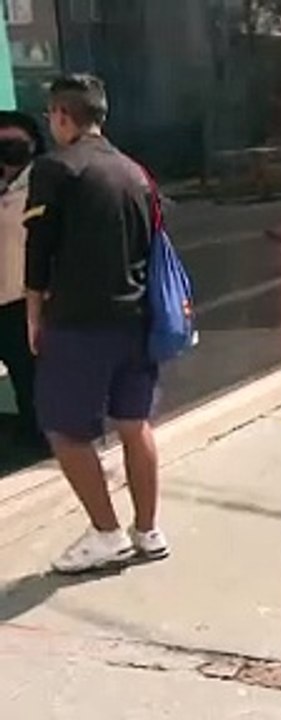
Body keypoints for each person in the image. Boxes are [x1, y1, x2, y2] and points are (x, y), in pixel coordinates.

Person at [25, 74, 167, 573]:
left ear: (63, 116)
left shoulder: (56, 168)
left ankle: (107, 532)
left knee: (65, 431)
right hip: (136, 318)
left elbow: (38, 250)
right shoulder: (134, 172)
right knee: (134, 424)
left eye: (51, 114)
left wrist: (33, 315)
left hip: (79, 323)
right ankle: (148, 530)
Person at [0, 110, 48, 458]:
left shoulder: (44, 186)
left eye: (13, 144)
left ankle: (42, 439)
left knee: (29, 377)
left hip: (25, 299)